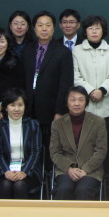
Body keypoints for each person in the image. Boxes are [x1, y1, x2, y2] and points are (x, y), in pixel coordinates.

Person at [21, 11, 73, 149]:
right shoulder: (27, 50)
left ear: (53, 28)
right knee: (29, 146)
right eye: (40, 25)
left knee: (49, 146)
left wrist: (59, 111)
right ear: (34, 28)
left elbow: (66, 84)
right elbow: (21, 78)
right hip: (28, 108)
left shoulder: (63, 52)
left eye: (48, 25)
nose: (44, 29)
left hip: (51, 110)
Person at [50, 86, 107, 200]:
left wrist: (85, 169)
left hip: (91, 170)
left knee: (83, 190)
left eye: (81, 100)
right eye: (73, 100)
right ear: (67, 103)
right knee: (63, 189)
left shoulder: (98, 122)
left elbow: (101, 151)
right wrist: (69, 168)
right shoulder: (57, 124)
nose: (77, 103)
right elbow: (55, 152)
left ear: (86, 102)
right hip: (66, 170)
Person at [0, 88, 42, 199]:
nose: (16, 109)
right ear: (6, 108)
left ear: (25, 107)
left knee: (19, 185)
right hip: (6, 170)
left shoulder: (33, 125)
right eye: (12, 105)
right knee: (5, 185)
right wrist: (6, 171)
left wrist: (25, 171)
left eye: (20, 105)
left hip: (29, 171)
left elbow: (35, 152)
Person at [72, 15, 109, 118]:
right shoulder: (77, 50)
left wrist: (102, 91)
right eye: (90, 28)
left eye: (97, 28)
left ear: (103, 31)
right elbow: (76, 77)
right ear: (85, 31)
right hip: (85, 106)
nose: (94, 32)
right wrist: (91, 91)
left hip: (108, 108)